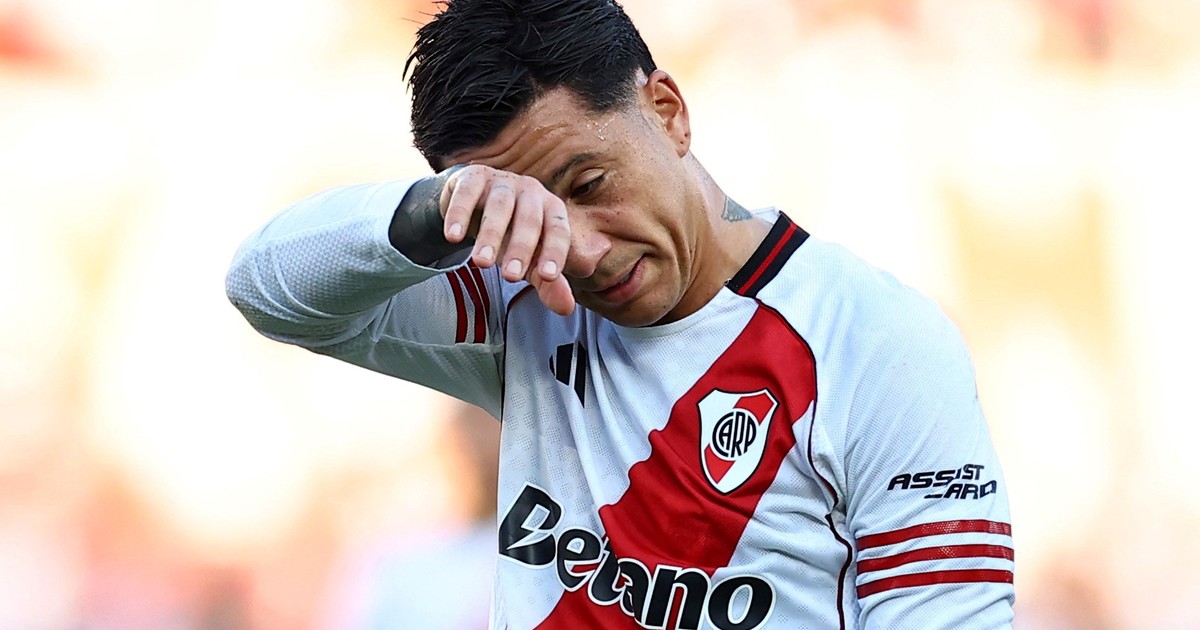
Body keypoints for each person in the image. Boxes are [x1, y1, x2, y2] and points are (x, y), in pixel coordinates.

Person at [225, 1, 1015, 628]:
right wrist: (433, 210)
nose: (585, 251)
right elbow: (269, 291)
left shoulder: (873, 343)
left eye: (589, 184)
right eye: (535, 211)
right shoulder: (524, 297)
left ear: (668, 111)